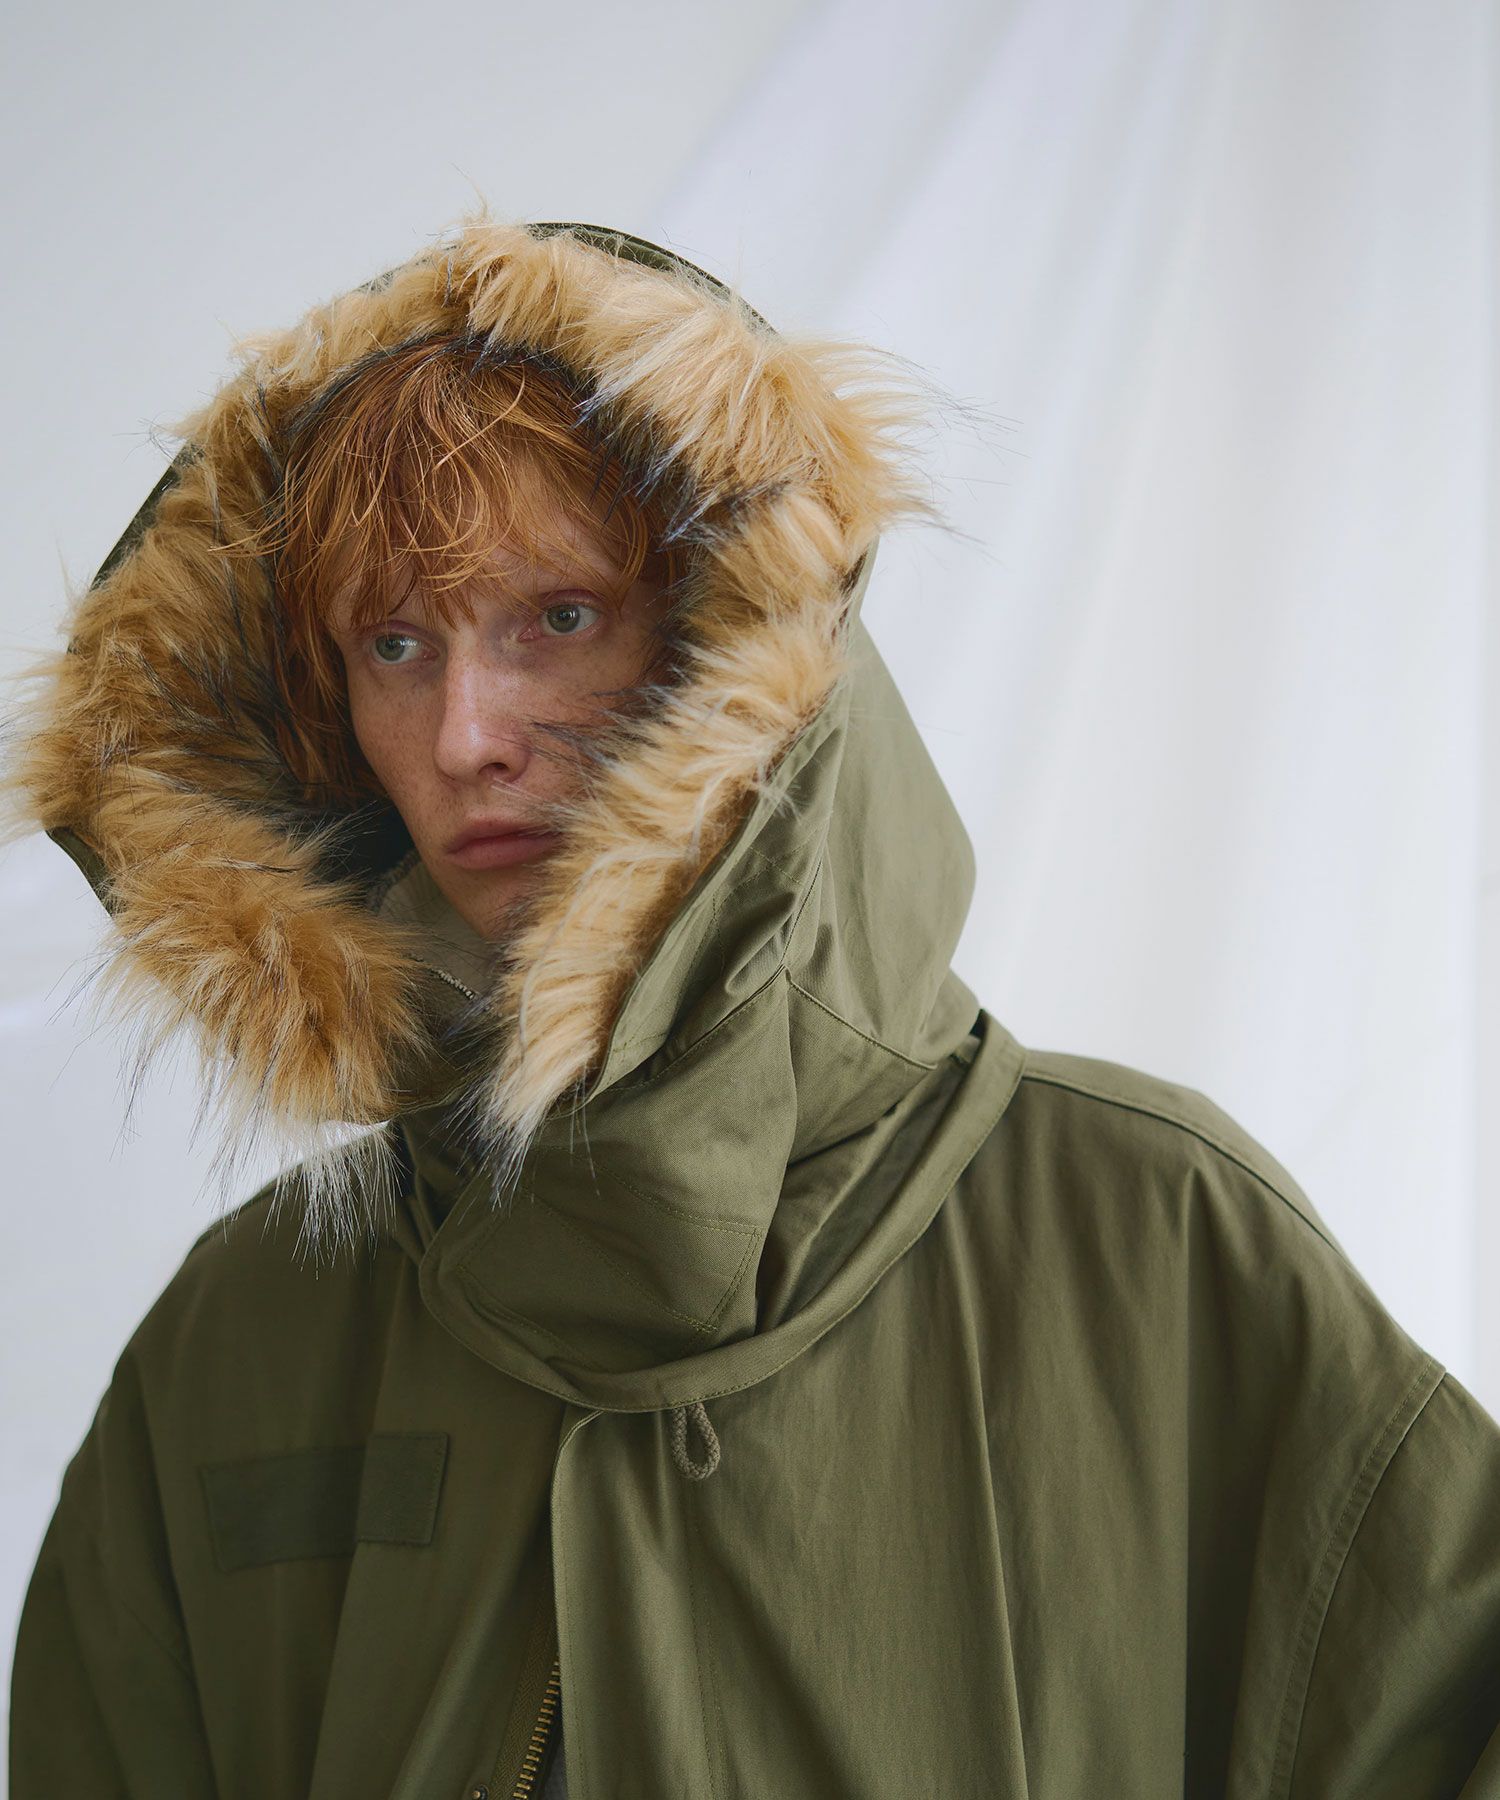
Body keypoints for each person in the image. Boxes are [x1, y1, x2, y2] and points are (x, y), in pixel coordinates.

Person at [5, 209, 1500, 1800]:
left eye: (557, 617)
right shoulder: (250, 1338)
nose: (463, 735)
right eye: (394, 644)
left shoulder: (1155, 1243)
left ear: (731, 637)